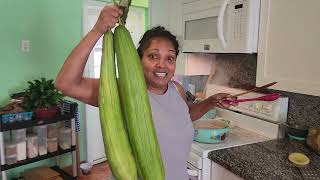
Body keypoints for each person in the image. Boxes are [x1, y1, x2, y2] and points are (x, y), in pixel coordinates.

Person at [55, 5, 231, 180]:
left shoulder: (176, 89)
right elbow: (66, 83)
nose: (162, 65)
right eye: (153, 56)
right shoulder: (121, 91)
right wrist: (97, 30)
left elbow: (185, 114)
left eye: (169, 58)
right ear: (138, 60)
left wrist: (211, 102)